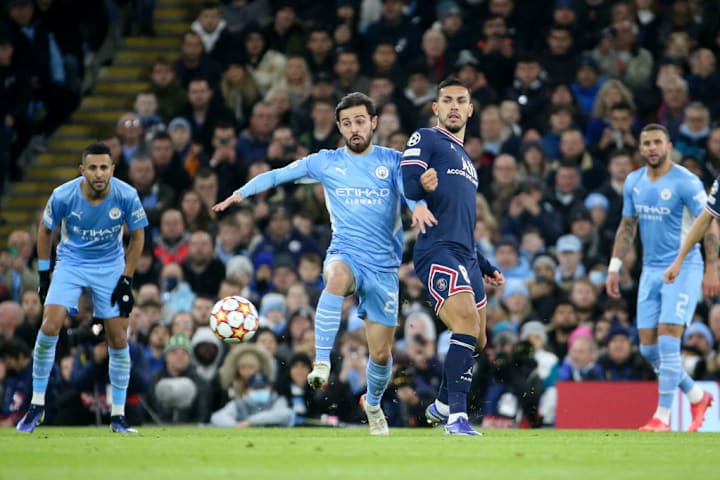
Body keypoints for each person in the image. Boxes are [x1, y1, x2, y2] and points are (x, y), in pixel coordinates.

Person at [213, 92, 436, 435]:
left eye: (360, 121)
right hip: (345, 252)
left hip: (384, 268)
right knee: (335, 277)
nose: (354, 129)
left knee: (380, 355)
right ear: (339, 127)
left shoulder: (393, 161)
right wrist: (241, 193)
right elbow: (278, 175)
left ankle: (373, 404)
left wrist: (418, 204)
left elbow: (409, 190)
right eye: (347, 123)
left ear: (373, 123)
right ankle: (321, 361)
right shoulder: (326, 161)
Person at [16, 143, 149, 434]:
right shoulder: (63, 194)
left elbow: (137, 238)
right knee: (49, 326)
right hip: (71, 263)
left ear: (112, 170)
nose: (99, 173)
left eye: (104, 167)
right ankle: (36, 405)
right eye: (93, 167)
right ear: (82, 170)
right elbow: (44, 231)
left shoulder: (126, 194)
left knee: (117, 337)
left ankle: (118, 415)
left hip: (110, 266)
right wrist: (43, 275)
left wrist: (126, 279)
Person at [401, 78, 505, 436]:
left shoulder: (468, 163)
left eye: (461, 101)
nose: (455, 106)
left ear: (470, 109)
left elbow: (463, 219)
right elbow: (408, 179)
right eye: (447, 100)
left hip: (468, 255)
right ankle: (456, 418)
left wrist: (485, 263)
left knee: (478, 340)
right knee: (464, 325)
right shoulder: (427, 138)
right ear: (436, 107)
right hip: (437, 249)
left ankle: (443, 403)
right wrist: (419, 189)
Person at [606, 124, 717, 432]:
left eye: (657, 142)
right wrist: (614, 266)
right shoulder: (634, 181)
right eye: (646, 143)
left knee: (669, 339)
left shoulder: (687, 182)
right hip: (651, 269)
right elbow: (627, 226)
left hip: (685, 266)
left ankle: (662, 417)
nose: (652, 147)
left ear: (669, 145)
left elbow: (709, 223)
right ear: (640, 149)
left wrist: (712, 267)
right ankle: (697, 395)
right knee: (648, 349)